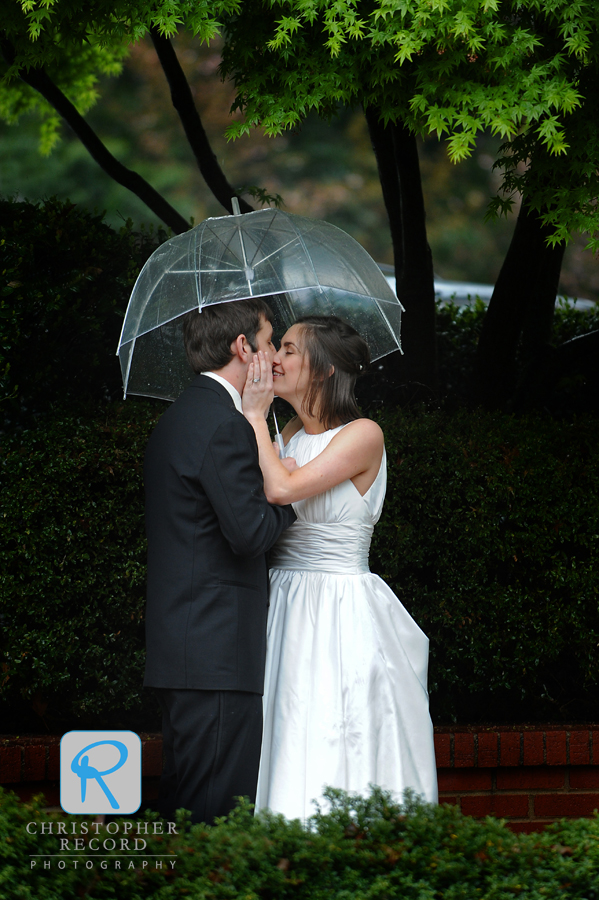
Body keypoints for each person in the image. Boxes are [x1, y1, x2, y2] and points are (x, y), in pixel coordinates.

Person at [242, 315, 438, 820]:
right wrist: (265, 427)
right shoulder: (285, 431)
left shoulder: (363, 435)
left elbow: (281, 490)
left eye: (288, 349)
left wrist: (254, 417)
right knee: (284, 724)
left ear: (325, 369)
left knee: (334, 725)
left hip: (337, 606)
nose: (275, 359)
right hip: (281, 601)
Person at [143, 298, 296, 824]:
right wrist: (290, 492)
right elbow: (251, 533)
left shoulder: (182, 414)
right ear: (242, 347)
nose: (274, 353)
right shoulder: (224, 423)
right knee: (214, 812)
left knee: (186, 802)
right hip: (215, 650)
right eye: (270, 340)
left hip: (189, 644)